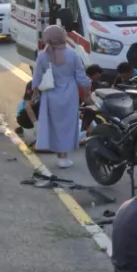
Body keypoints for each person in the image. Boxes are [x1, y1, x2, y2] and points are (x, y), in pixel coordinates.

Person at [32, 25, 90, 169]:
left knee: (53, 125)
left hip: (50, 94)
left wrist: (35, 91)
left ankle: (59, 154)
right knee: (67, 125)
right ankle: (63, 156)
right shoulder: (72, 55)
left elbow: (37, 77)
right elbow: (82, 78)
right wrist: (88, 90)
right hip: (69, 94)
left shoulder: (42, 55)